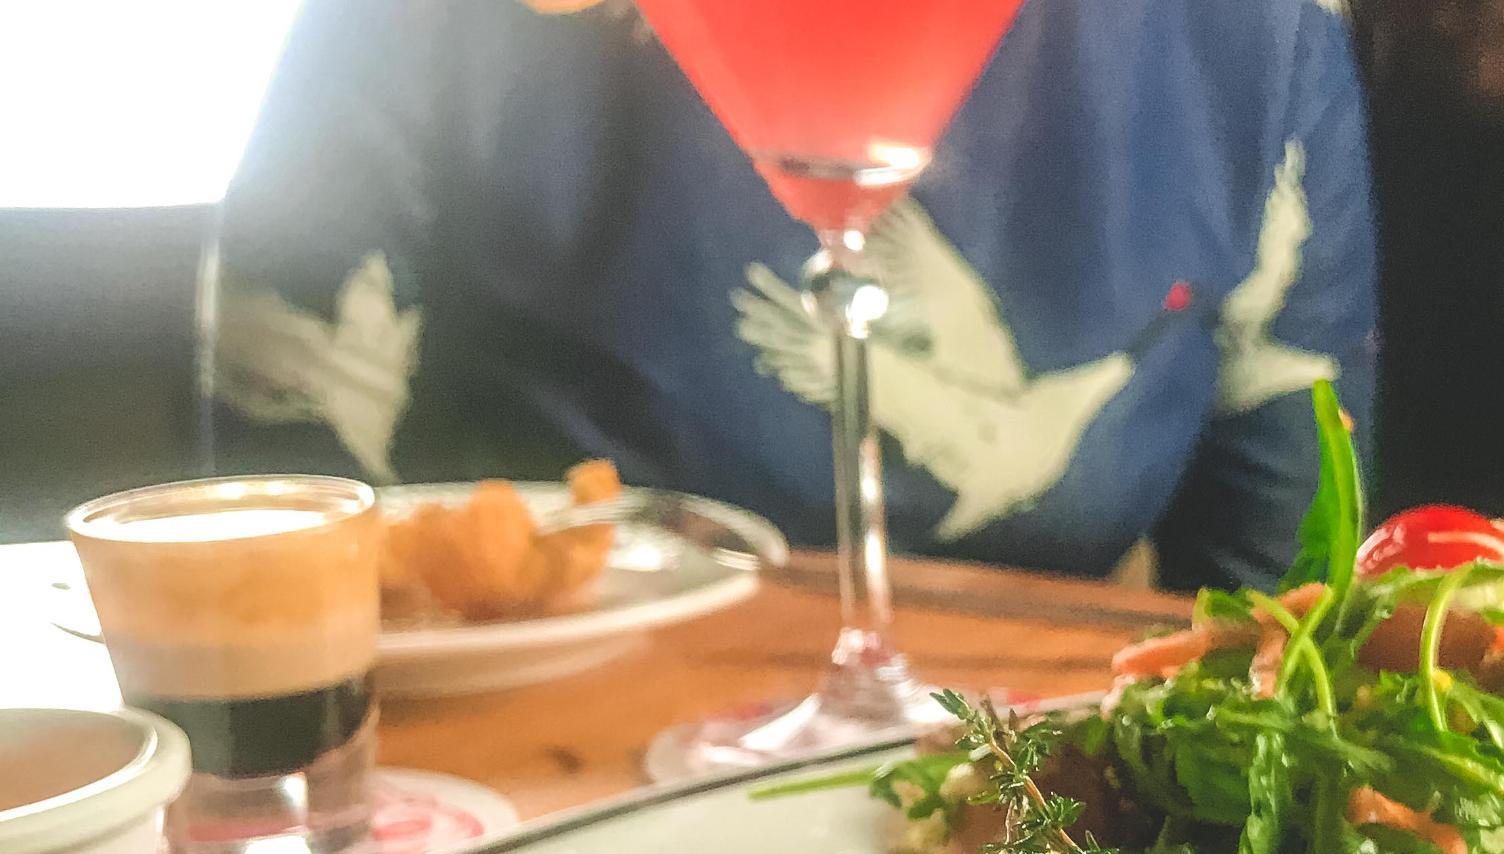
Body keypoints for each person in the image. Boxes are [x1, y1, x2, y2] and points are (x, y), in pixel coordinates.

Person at [205, 0, 1379, 593]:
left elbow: (1283, 583)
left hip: (1018, 790)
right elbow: (270, 533)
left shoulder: (1255, 39)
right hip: (528, 787)